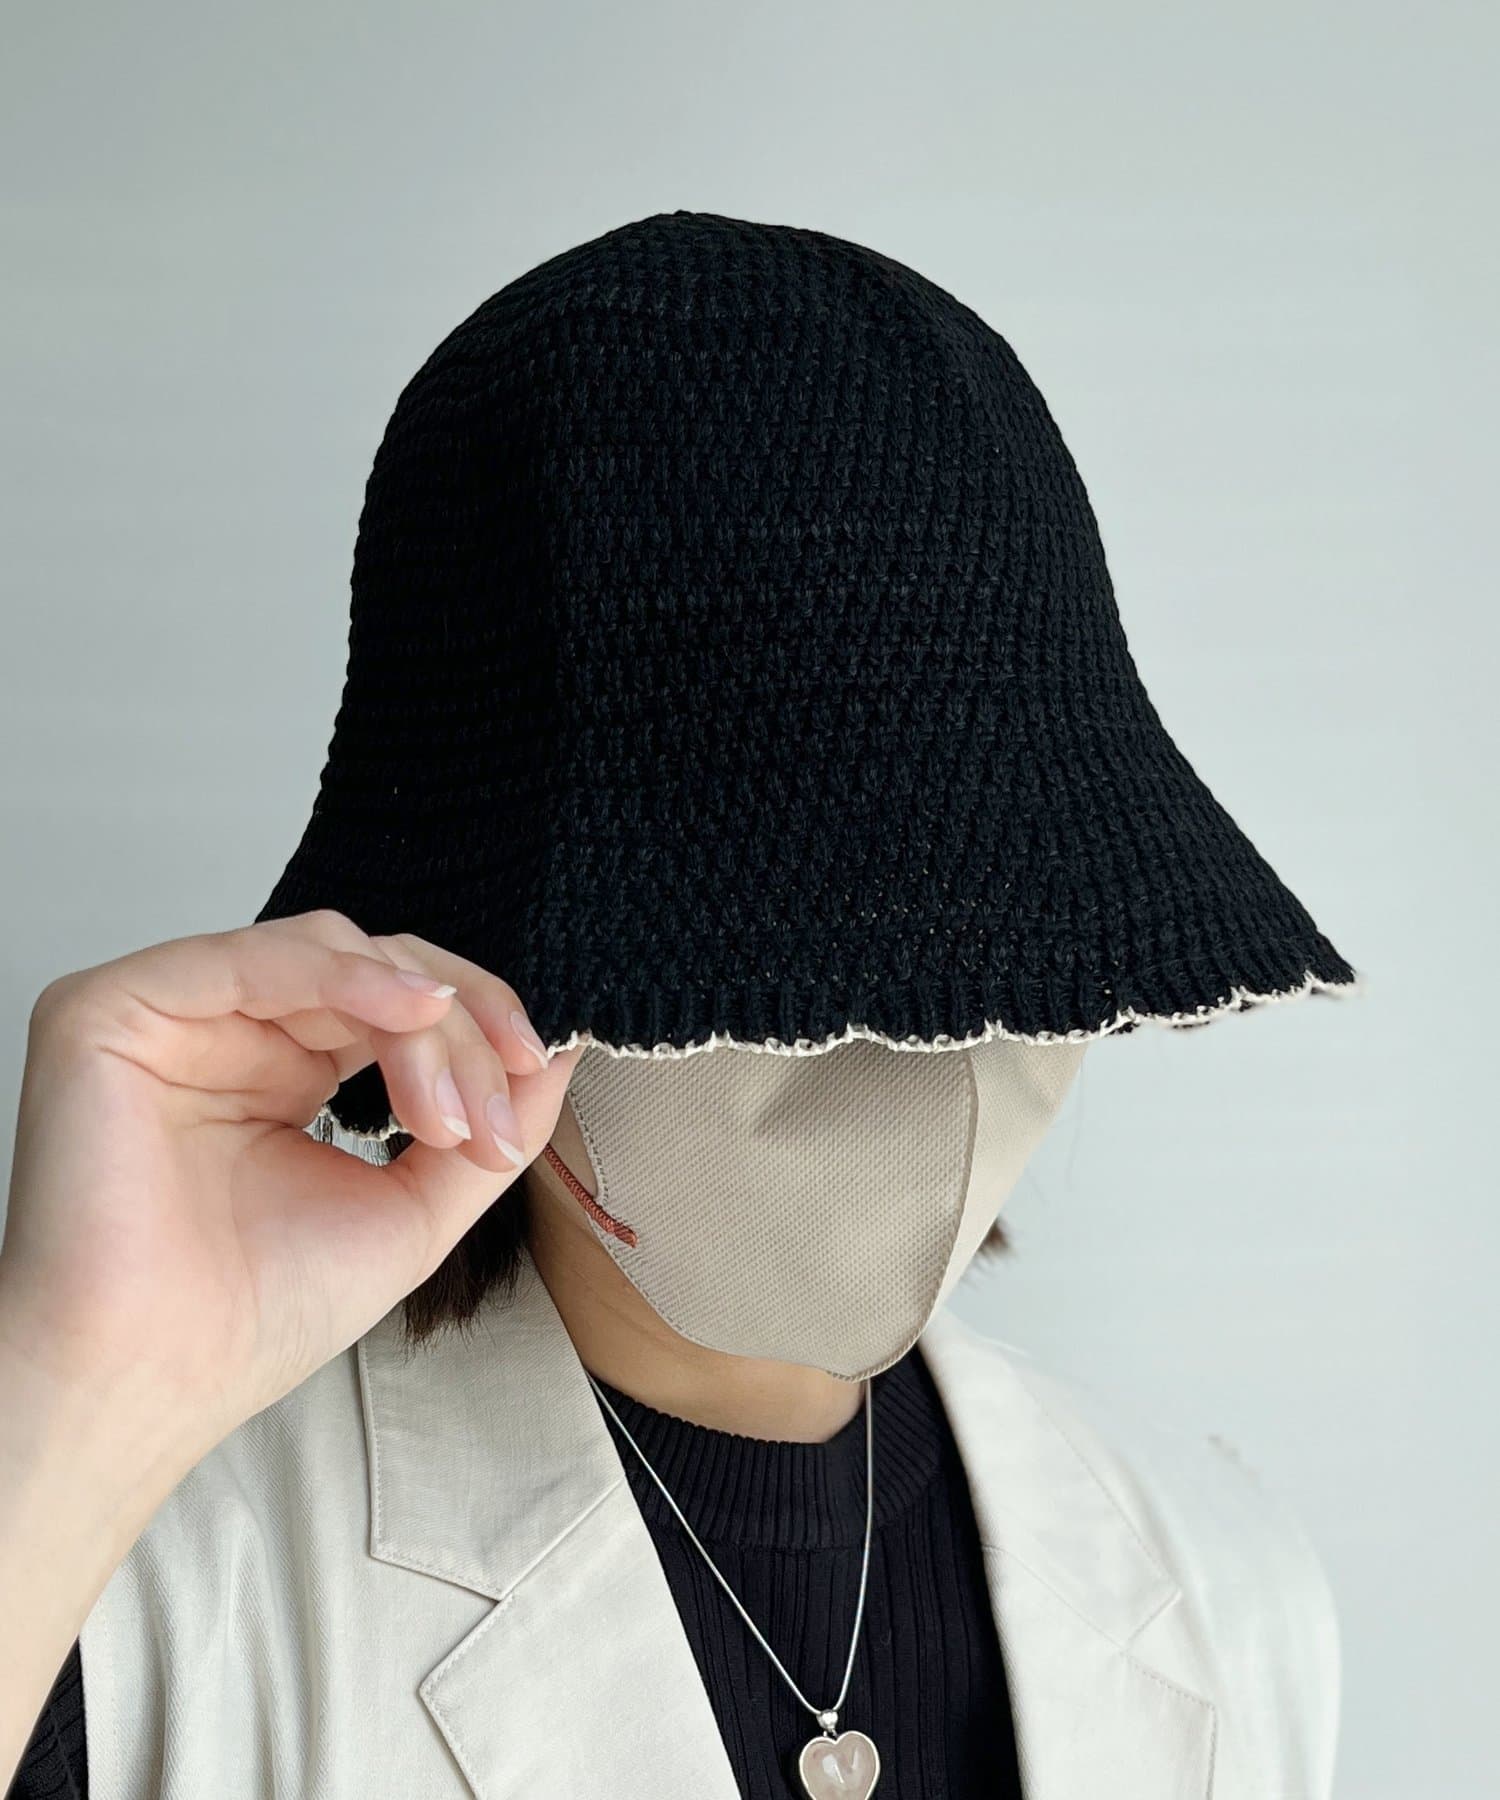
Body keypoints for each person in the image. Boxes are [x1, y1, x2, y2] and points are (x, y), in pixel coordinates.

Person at [2, 209, 1361, 1800]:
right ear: (456, 960)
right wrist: (72, 1390)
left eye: (1007, 936)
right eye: (775, 951)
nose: (920, 1034)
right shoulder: (134, 1594)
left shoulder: (1223, 1590)